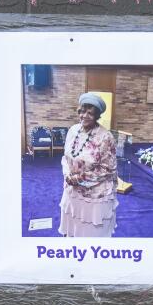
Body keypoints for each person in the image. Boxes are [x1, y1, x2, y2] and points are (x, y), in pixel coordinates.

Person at [60, 93, 118, 238]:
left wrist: (79, 178)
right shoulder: (73, 130)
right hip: (72, 189)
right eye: (82, 111)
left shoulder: (105, 137)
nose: (84, 116)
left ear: (97, 116)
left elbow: (107, 169)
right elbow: (66, 157)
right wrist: (67, 175)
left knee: (90, 232)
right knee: (74, 227)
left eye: (90, 113)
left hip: (94, 194)